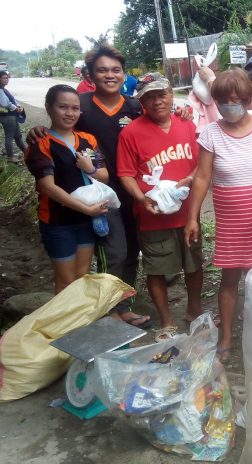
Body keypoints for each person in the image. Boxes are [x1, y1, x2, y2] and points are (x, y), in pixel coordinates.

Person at [28, 45, 151, 328]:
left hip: (134, 192)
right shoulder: (80, 105)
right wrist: (39, 131)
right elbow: (59, 128)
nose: (110, 75)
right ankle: (104, 311)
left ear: (124, 74)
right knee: (113, 253)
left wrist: (179, 110)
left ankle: (122, 306)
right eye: (102, 70)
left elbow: (160, 118)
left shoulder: (135, 107)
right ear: (91, 75)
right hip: (98, 197)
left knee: (131, 252)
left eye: (116, 70)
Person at [184, 68, 252, 360]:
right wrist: (192, 217)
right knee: (229, 278)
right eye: (222, 101)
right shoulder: (211, 133)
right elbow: (202, 178)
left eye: (235, 100)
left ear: (249, 100)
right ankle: (226, 336)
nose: (228, 106)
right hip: (231, 218)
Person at [117, 73, 203, 342]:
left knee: (194, 264)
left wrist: (190, 178)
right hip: (153, 215)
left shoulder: (187, 124)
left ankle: (194, 310)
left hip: (189, 213)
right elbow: (125, 173)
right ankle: (167, 321)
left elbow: (204, 161)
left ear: (170, 94)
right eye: (149, 97)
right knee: (156, 268)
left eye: (161, 94)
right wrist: (142, 199)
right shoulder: (131, 132)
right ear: (141, 101)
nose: (156, 101)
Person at [24, 85, 108, 293]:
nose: (70, 113)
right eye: (63, 107)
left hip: (86, 222)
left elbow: (104, 176)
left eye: (75, 108)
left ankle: (79, 322)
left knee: (82, 277)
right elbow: (48, 187)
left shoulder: (88, 140)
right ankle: (65, 325)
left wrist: (91, 169)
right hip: (58, 223)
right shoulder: (41, 142)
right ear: (49, 107)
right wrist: (87, 209)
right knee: (66, 281)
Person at [0, 70, 27, 161]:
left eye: (7, 78)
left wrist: (18, 106)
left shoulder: (4, 89)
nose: (6, 80)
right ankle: (10, 157)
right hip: (7, 116)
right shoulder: (0, 90)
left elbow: (12, 100)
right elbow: (4, 103)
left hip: (10, 115)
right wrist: (15, 108)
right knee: (10, 136)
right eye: (4, 78)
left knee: (18, 136)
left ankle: (27, 152)